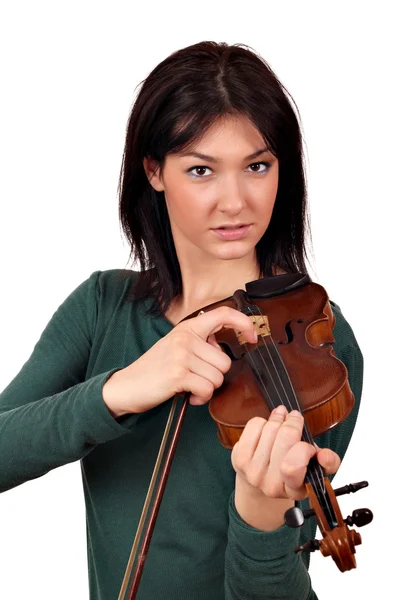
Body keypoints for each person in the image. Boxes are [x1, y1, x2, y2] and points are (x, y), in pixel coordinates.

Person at [0, 41, 363, 599]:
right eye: (200, 170)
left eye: (257, 166)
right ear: (154, 171)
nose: (235, 202)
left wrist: (262, 516)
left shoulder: (321, 346)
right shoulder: (103, 308)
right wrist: (119, 390)